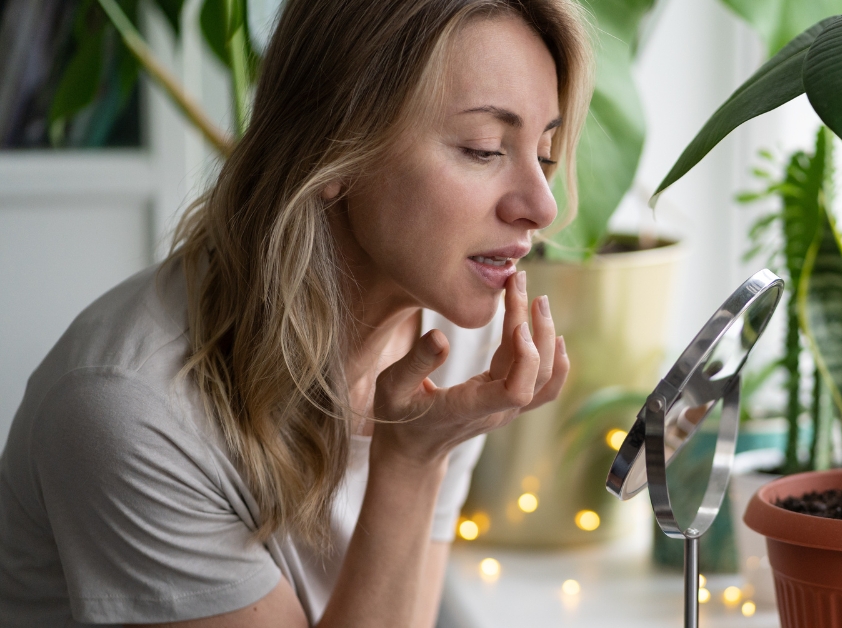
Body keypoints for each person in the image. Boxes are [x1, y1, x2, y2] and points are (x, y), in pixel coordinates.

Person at [0, 0, 592, 626]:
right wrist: (412, 465)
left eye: (546, 153)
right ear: (334, 150)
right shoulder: (133, 410)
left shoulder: (457, 330)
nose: (542, 206)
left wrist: (424, 453)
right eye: (483, 149)